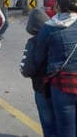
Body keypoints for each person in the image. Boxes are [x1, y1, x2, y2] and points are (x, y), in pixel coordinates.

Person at [35, 0, 77, 137]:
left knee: (66, 130)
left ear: (57, 6)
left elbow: (39, 58)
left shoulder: (49, 28)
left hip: (65, 86)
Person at [24, 8, 56, 137]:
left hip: (41, 86)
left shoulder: (32, 42)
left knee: (48, 123)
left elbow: (26, 69)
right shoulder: (57, 36)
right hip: (60, 86)